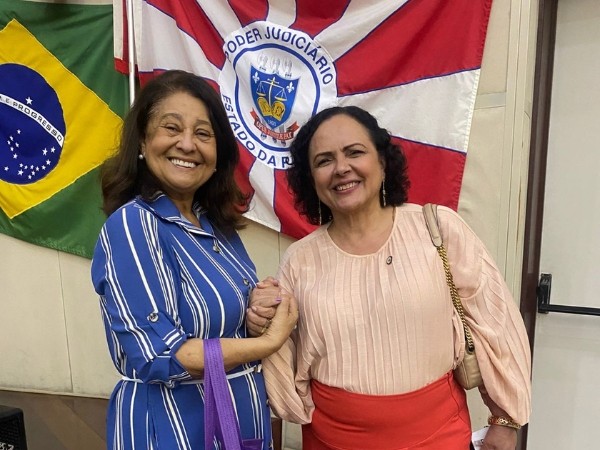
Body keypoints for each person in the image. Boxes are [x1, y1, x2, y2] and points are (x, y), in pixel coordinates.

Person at [247, 106, 531, 450]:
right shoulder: (299, 259)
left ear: (382, 162)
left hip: (437, 436)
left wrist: (505, 419)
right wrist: (262, 320)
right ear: (311, 178)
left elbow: (495, 323)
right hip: (331, 440)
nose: (341, 168)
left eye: (355, 152)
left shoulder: (437, 228)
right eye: (324, 160)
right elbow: (284, 356)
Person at [91, 70, 298, 450]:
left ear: (218, 154)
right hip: (175, 426)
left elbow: (221, 319)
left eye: (203, 134)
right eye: (172, 128)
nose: (187, 144)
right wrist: (269, 342)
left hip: (239, 421)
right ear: (143, 141)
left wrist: (256, 311)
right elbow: (160, 354)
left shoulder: (216, 226)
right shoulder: (134, 225)